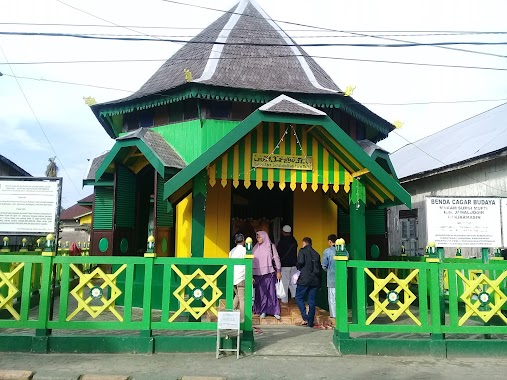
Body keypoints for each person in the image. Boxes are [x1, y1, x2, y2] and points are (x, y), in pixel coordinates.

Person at [252, 230, 282, 320]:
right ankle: (263, 311)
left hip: (269, 273)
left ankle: (274, 311)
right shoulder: (255, 248)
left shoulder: (271, 246)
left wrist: (279, 271)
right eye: (257, 237)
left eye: (260, 237)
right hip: (257, 274)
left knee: (271, 292)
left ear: (264, 237)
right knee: (261, 293)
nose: (258, 239)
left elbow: (276, 258)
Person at [295, 237, 322, 327]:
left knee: (298, 297)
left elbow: (300, 262)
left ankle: (305, 316)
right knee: (312, 301)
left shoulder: (302, 251)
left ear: (304, 243)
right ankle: (310, 321)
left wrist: (298, 266)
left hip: (304, 279)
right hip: (315, 280)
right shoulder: (316, 254)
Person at [276, 225, 298, 303]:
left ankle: (284, 300)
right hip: (294, 265)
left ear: (283, 232)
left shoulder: (281, 242)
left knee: (285, 283)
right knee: (293, 283)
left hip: (285, 266)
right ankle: (295, 298)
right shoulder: (294, 241)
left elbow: (278, 254)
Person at [229, 233, 246, 322]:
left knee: (237, 297)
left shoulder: (232, 251)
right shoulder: (245, 251)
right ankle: (242, 319)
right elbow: (247, 265)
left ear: (235, 241)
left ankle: (229, 315)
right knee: (242, 299)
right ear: (243, 241)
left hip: (233, 277)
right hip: (241, 277)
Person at [322, 234, 338, 319]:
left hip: (332, 278)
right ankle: (342, 314)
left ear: (329, 241)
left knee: (332, 298)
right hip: (342, 278)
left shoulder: (327, 251)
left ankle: (334, 316)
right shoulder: (345, 251)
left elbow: (324, 265)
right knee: (341, 297)